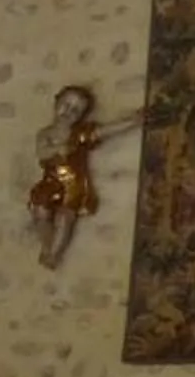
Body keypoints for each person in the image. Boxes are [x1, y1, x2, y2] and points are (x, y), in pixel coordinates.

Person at [29, 87, 135, 270]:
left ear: (81, 115)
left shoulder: (79, 134)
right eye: (66, 105)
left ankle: (54, 254)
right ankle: (48, 248)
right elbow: (41, 152)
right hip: (51, 181)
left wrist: (132, 121)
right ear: (56, 102)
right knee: (39, 209)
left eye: (75, 110)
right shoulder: (45, 134)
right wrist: (56, 149)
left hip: (73, 184)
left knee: (65, 215)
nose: (68, 112)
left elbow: (105, 131)